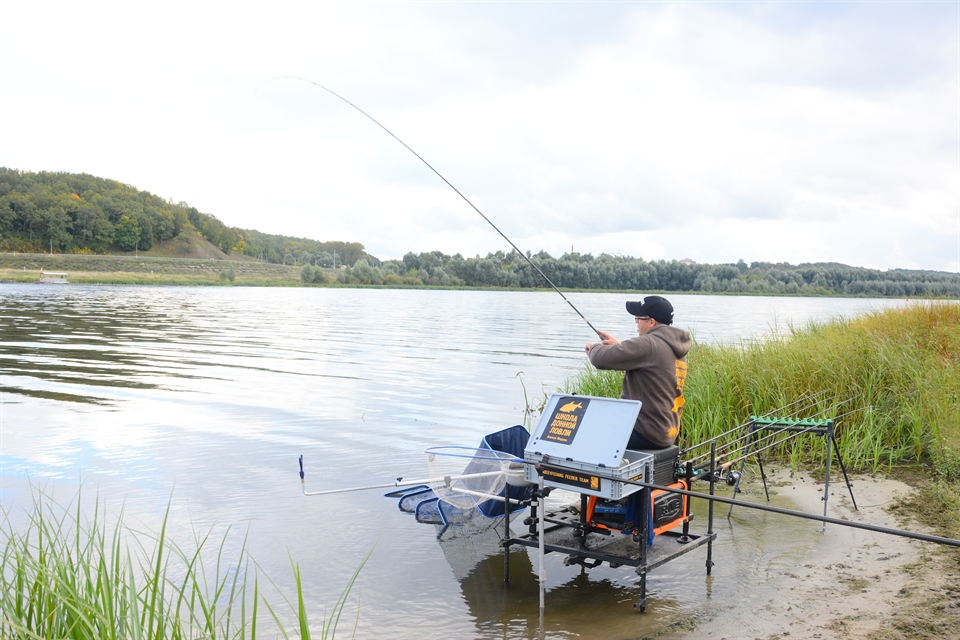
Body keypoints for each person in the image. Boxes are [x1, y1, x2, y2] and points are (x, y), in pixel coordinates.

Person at [584, 295, 690, 450]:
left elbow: (600, 359)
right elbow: (648, 365)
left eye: (638, 319)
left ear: (651, 322)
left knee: (584, 434)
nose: (637, 323)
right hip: (665, 431)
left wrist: (593, 348)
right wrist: (619, 345)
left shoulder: (648, 344)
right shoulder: (675, 348)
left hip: (644, 432)